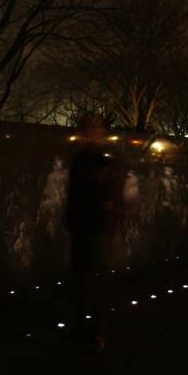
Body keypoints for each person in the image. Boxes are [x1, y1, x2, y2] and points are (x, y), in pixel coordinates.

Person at [65, 115, 124, 352]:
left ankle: (97, 331)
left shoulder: (103, 161)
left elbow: (110, 194)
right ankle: (83, 328)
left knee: (97, 283)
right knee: (81, 281)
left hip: (97, 229)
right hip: (83, 227)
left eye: (92, 130)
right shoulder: (82, 160)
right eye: (86, 130)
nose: (87, 134)